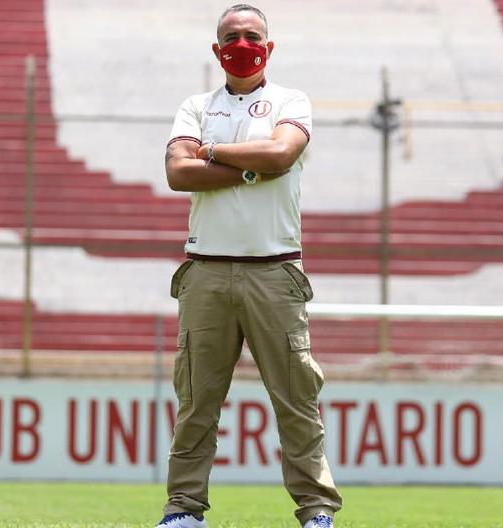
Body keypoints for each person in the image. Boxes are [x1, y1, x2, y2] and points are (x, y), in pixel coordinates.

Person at [156, 4, 342, 528]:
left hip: (274, 270)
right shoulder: (195, 104)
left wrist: (212, 153)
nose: (242, 44)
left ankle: (316, 512)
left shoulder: (290, 100)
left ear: (270, 46)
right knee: (197, 402)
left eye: (252, 35)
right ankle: (184, 511)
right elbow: (178, 173)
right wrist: (250, 169)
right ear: (217, 50)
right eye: (232, 37)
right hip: (206, 270)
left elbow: (281, 156)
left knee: (296, 401)